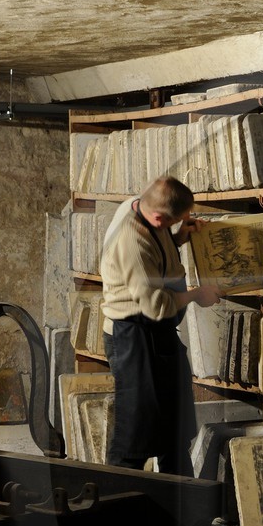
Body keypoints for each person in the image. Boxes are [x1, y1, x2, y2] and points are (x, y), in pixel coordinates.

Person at [98, 175, 219, 475]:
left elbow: (158, 258)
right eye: (176, 219)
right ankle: (115, 511)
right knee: (134, 436)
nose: (183, 221)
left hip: (158, 333)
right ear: (157, 216)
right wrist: (195, 295)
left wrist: (178, 237)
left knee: (175, 432)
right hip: (133, 337)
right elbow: (155, 306)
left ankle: (182, 516)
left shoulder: (143, 208)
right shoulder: (132, 241)